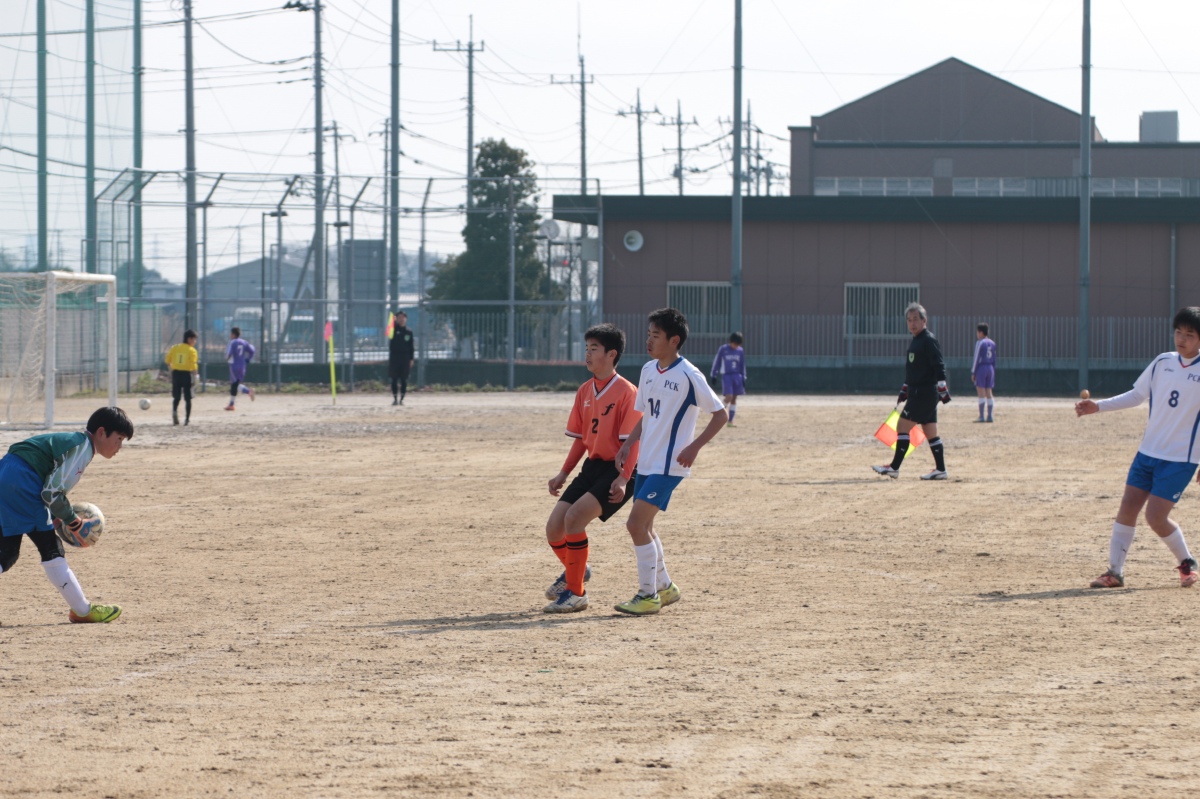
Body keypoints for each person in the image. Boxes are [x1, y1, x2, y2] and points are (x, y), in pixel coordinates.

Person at [613, 308, 728, 615]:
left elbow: (720, 414)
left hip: (670, 465)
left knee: (635, 524)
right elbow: (647, 415)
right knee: (646, 526)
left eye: (656, 335)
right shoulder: (648, 370)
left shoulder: (689, 375)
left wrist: (695, 447)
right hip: (647, 461)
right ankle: (665, 587)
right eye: (648, 334)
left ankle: (647, 595)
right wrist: (629, 444)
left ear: (674, 340)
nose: (649, 340)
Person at [1077, 307, 1200, 589]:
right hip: (1147, 453)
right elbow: (1136, 396)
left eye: (1190, 334)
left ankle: (1186, 562)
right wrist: (1098, 406)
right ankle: (1114, 572)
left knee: (1155, 517)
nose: (1182, 339)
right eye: (1178, 332)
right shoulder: (1162, 362)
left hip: (1180, 459)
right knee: (1128, 507)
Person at [0, 406, 133, 623]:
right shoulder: (82, 448)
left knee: (7, 552)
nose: (119, 446)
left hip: (6, 473)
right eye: (119, 439)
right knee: (51, 550)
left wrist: (57, 515)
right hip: (22, 482)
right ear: (101, 432)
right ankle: (82, 610)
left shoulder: (74, 441)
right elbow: (51, 492)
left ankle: (81, 609)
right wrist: (74, 521)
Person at [543, 323, 641, 614]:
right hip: (592, 467)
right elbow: (581, 440)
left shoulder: (627, 392)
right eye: (586, 348)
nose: (587, 354)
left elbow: (633, 442)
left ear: (611, 354)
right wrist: (563, 472)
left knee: (574, 519)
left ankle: (576, 593)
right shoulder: (585, 390)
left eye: (593, 349)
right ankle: (577, 570)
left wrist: (623, 477)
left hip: (619, 469)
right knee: (554, 528)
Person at [872, 302, 950, 480]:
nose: (912, 323)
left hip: (923, 392)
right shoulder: (916, 340)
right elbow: (914, 370)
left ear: (924, 320)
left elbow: (938, 363)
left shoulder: (928, 340)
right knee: (930, 432)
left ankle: (894, 467)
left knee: (902, 426)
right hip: (920, 391)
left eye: (915, 319)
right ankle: (941, 470)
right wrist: (905, 388)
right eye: (909, 320)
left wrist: (942, 386)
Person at [711, 331, 747, 426]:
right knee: (729, 397)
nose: (736, 346)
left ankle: (730, 421)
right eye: (735, 343)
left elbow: (742, 365)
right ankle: (717, 413)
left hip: (737, 376)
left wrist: (743, 377)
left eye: (738, 344)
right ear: (731, 341)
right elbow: (717, 362)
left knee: (734, 398)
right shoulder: (723, 349)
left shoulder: (740, 351)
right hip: (727, 376)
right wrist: (714, 374)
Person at [165, 329, 199, 426]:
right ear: (189, 339)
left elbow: (167, 360)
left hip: (176, 374)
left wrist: (172, 369)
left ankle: (174, 411)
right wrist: (196, 375)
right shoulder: (191, 350)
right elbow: (193, 364)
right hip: (186, 374)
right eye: (194, 339)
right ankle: (187, 419)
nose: (195, 342)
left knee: (177, 397)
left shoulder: (174, 348)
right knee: (188, 398)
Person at [224, 327, 256, 411]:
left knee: (234, 385)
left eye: (231, 333)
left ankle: (232, 404)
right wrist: (248, 359)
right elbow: (252, 350)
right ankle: (248, 392)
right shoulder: (244, 342)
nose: (230, 335)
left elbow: (228, 354)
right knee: (236, 384)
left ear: (233, 334)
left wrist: (226, 358)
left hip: (234, 365)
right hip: (242, 365)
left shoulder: (232, 342)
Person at [389, 311, 415, 405]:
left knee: (404, 379)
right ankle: (395, 398)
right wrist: (392, 321)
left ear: (406, 319)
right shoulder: (393, 329)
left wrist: (411, 359)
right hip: (395, 357)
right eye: (399, 317)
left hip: (405, 358)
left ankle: (402, 399)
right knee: (394, 379)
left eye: (403, 317)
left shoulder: (409, 331)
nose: (401, 319)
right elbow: (388, 332)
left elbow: (411, 346)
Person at [972, 322, 997, 423]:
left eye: (977, 332)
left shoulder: (980, 343)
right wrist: (993, 370)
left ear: (981, 332)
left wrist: (973, 372)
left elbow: (976, 358)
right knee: (989, 392)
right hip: (990, 368)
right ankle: (990, 416)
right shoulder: (992, 343)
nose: (977, 334)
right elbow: (994, 359)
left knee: (981, 393)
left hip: (982, 368)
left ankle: (981, 416)